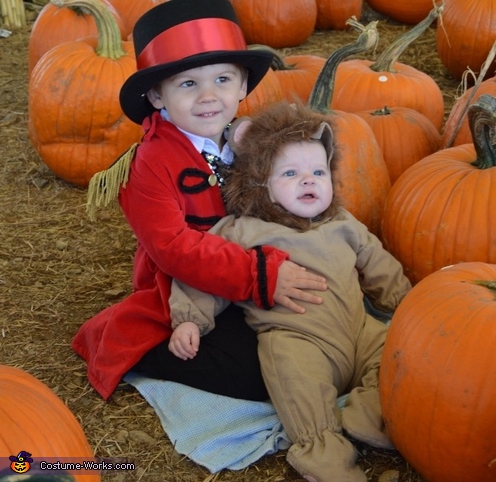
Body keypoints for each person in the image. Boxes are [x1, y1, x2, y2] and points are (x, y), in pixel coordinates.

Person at [71, 0, 327, 402]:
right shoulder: (148, 165)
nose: (209, 96)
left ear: (243, 84)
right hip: (184, 289)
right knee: (258, 374)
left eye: (222, 80)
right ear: (157, 96)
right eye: (189, 83)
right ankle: (147, 353)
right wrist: (260, 277)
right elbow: (174, 249)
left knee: (316, 339)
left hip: (257, 270)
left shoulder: (251, 141)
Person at [168, 102, 412, 482]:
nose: (309, 180)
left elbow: (378, 263)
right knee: (294, 377)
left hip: (357, 329)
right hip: (298, 336)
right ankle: (323, 450)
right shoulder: (244, 230)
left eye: (318, 171)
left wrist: (406, 303)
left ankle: (371, 411)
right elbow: (205, 273)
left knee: (395, 349)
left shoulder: (343, 224)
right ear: (259, 181)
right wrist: (189, 321)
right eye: (291, 173)